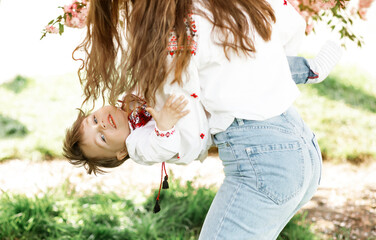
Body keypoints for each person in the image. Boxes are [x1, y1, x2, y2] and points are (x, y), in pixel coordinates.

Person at [73, 0, 342, 238]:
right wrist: (164, 124)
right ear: (121, 152)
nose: (102, 125)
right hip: (294, 143)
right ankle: (310, 70)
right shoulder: (137, 143)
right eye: (102, 137)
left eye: (95, 120)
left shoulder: (169, 41)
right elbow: (161, 142)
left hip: (264, 155)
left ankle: (310, 70)